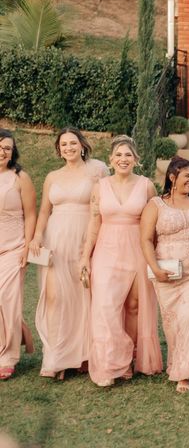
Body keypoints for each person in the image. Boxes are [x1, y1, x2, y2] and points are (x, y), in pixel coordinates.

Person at [80, 135, 163, 387]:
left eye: (128, 155)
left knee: (134, 306)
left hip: (136, 249)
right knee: (105, 306)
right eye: (118, 155)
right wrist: (86, 255)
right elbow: (94, 223)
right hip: (106, 249)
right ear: (111, 160)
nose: (123, 159)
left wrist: (156, 255)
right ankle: (110, 361)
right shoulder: (100, 186)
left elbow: (154, 225)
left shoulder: (147, 186)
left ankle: (129, 360)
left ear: (136, 160)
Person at [30, 127, 108, 380]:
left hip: (84, 238)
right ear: (58, 149)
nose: (69, 148)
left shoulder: (97, 169)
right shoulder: (52, 176)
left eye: (73, 143)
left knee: (82, 296)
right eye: (64, 145)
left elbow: (103, 205)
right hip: (55, 240)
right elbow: (43, 211)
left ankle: (81, 356)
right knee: (54, 297)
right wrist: (38, 236)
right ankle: (56, 357)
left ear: (82, 145)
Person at [140, 156, 189, 393]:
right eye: (187, 176)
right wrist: (155, 268)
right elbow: (145, 239)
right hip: (168, 272)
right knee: (173, 323)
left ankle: (185, 373)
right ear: (172, 177)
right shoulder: (156, 204)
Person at [0, 130, 37, 380]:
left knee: (8, 300)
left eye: (7, 148)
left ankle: (7, 357)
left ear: (13, 152)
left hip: (14, 249)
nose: (2, 152)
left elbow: (31, 214)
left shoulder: (20, 177)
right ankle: (20, 332)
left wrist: (27, 247)